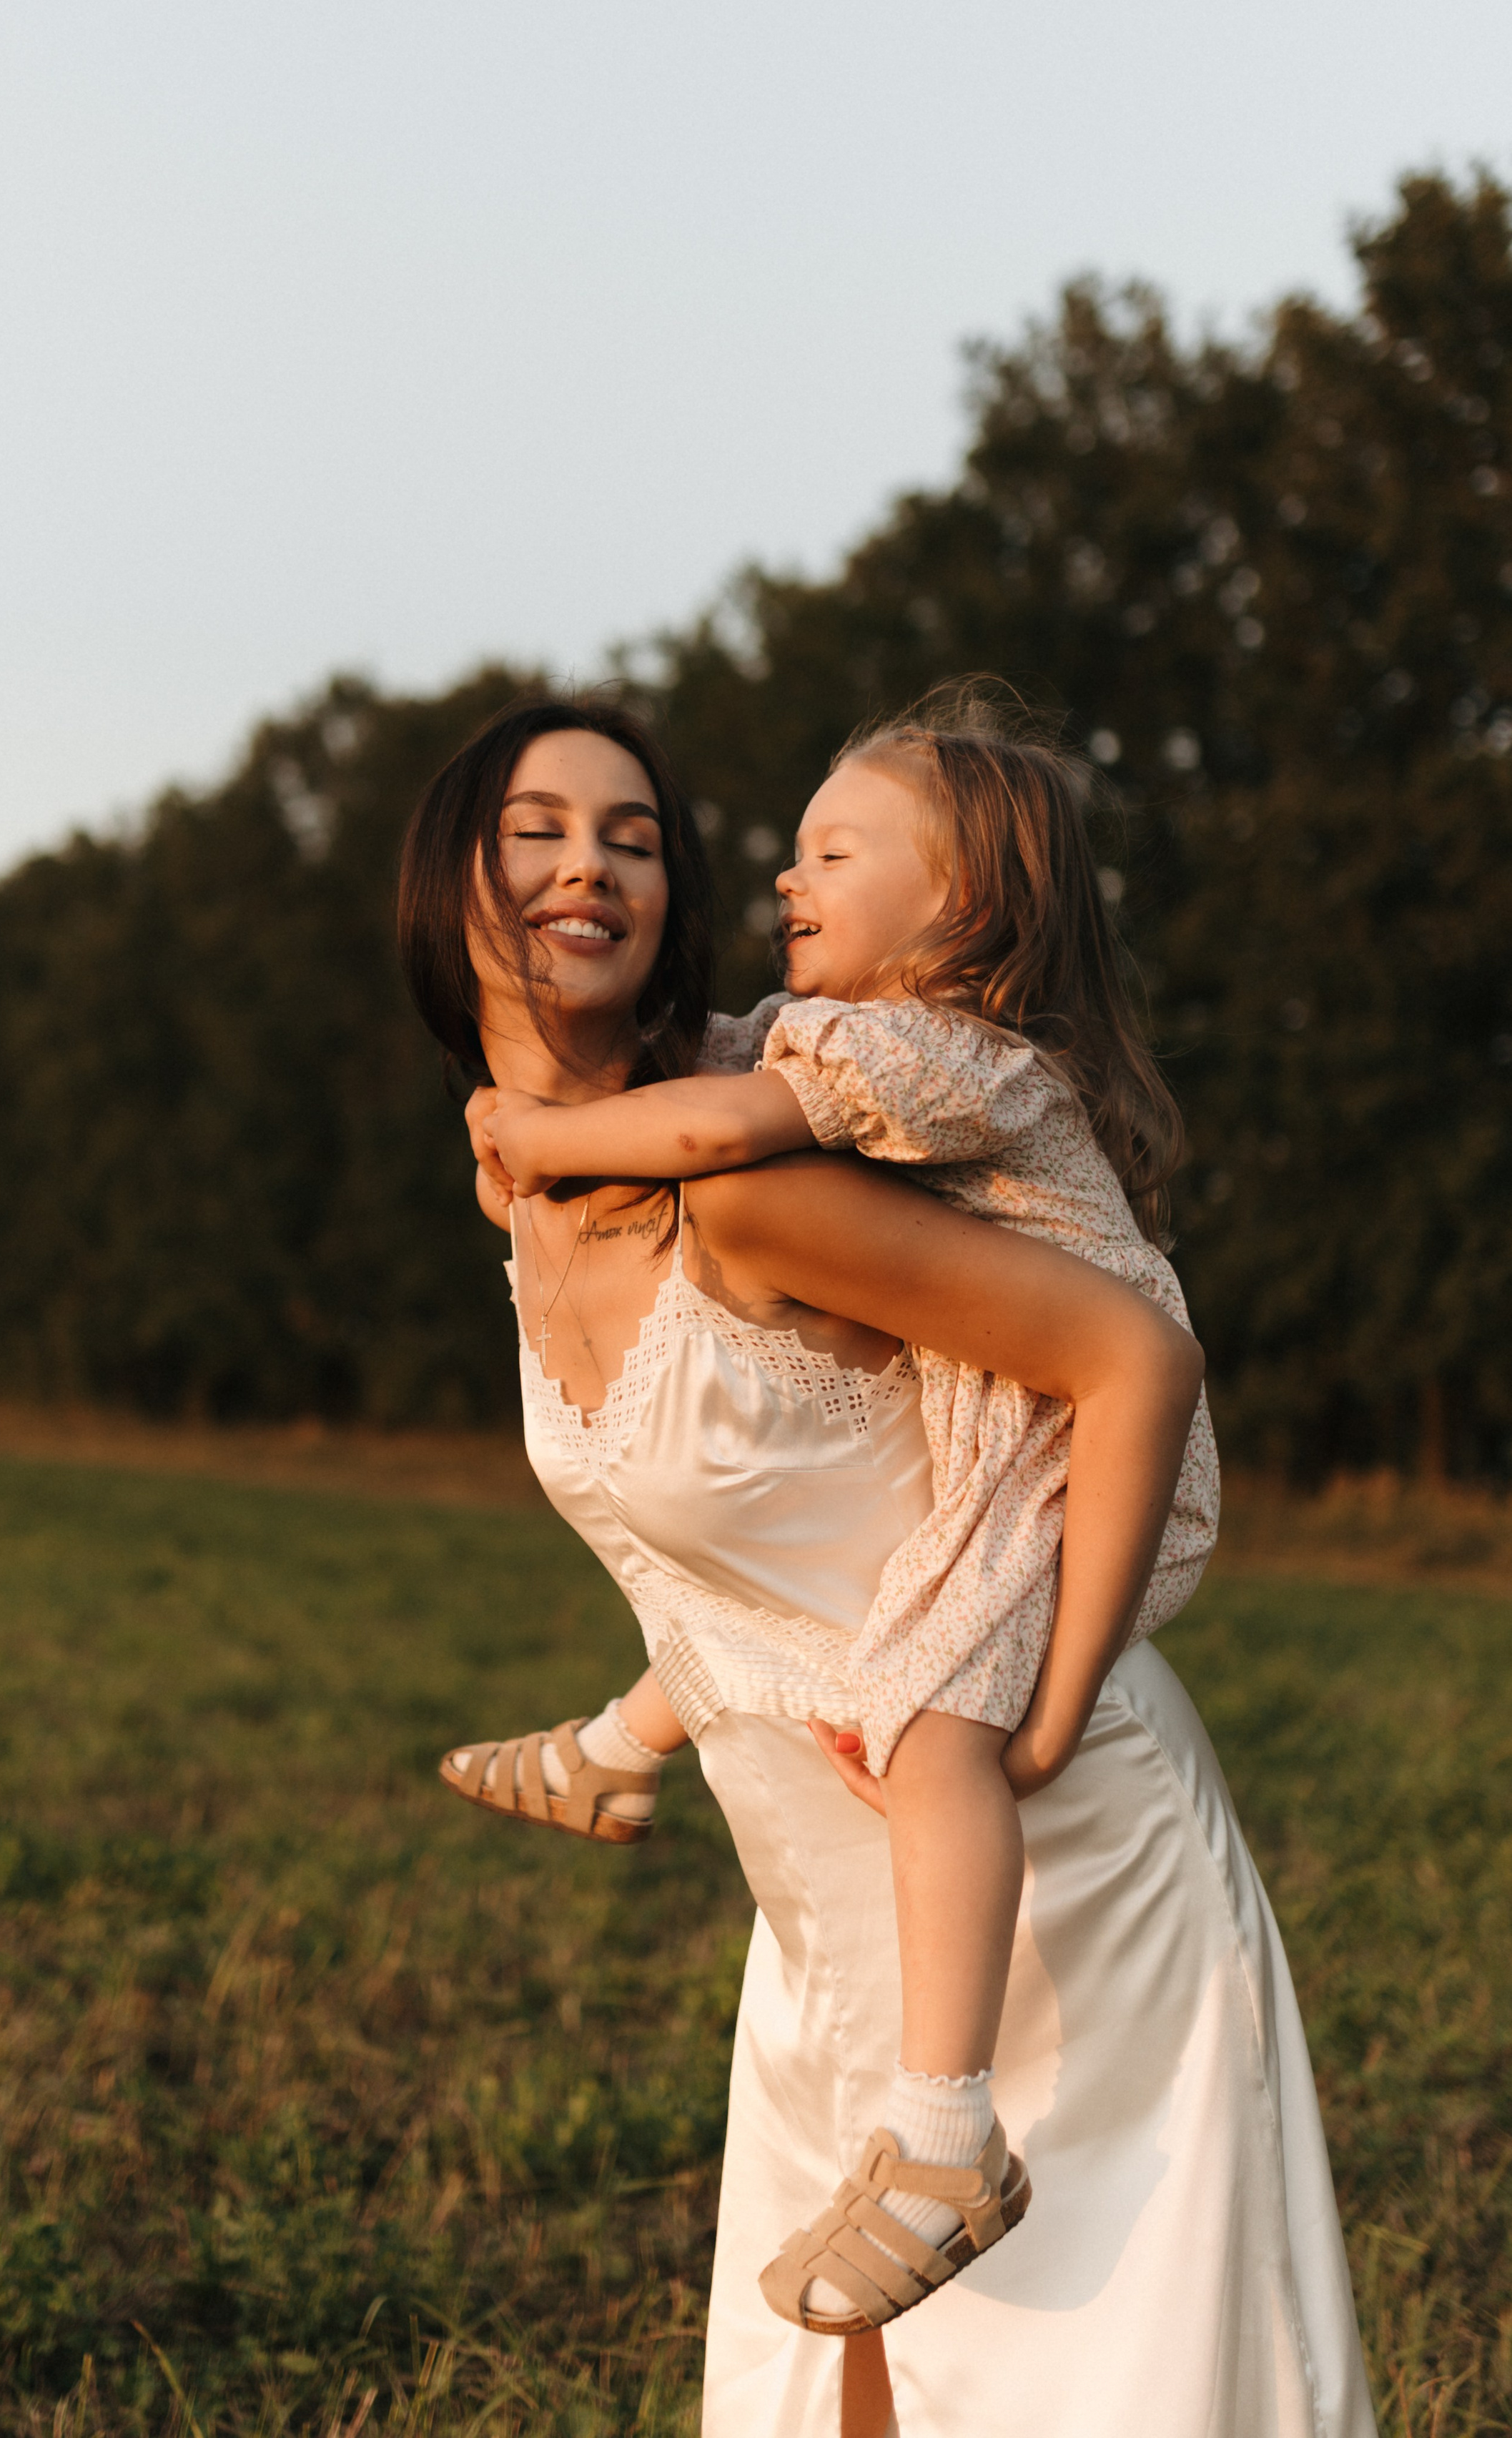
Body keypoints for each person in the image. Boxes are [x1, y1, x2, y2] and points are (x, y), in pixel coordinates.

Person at [400, 694, 1375, 2438]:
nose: (589, 862)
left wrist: (1054, 1708)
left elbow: (1124, 1356)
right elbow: (727, 1557)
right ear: (447, 880)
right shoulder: (526, 1190)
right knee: (845, 2394)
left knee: (1067, 2391)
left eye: (631, 833)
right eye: (538, 826)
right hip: (831, 1906)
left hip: (1046, 1849)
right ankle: (616, 1749)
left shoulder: (759, 1178)